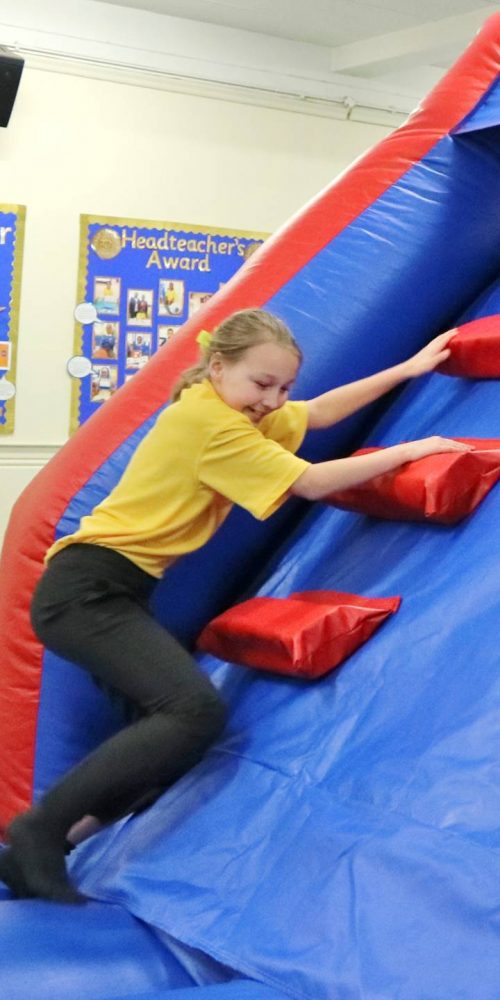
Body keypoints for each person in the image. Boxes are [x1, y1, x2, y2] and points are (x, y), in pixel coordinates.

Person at [0, 308, 469, 905]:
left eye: (283, 388)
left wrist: (406, 369)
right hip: (87, 590)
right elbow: (311, 482)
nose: (272, 400)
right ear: (218, 367)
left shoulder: (230, 410)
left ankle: (54, 846)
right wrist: (413, 449)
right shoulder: (210, 423)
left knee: (168, 742)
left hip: (113, 590)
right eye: (261, 383)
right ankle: (38, 833)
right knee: (193, 713)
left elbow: (319, 413)